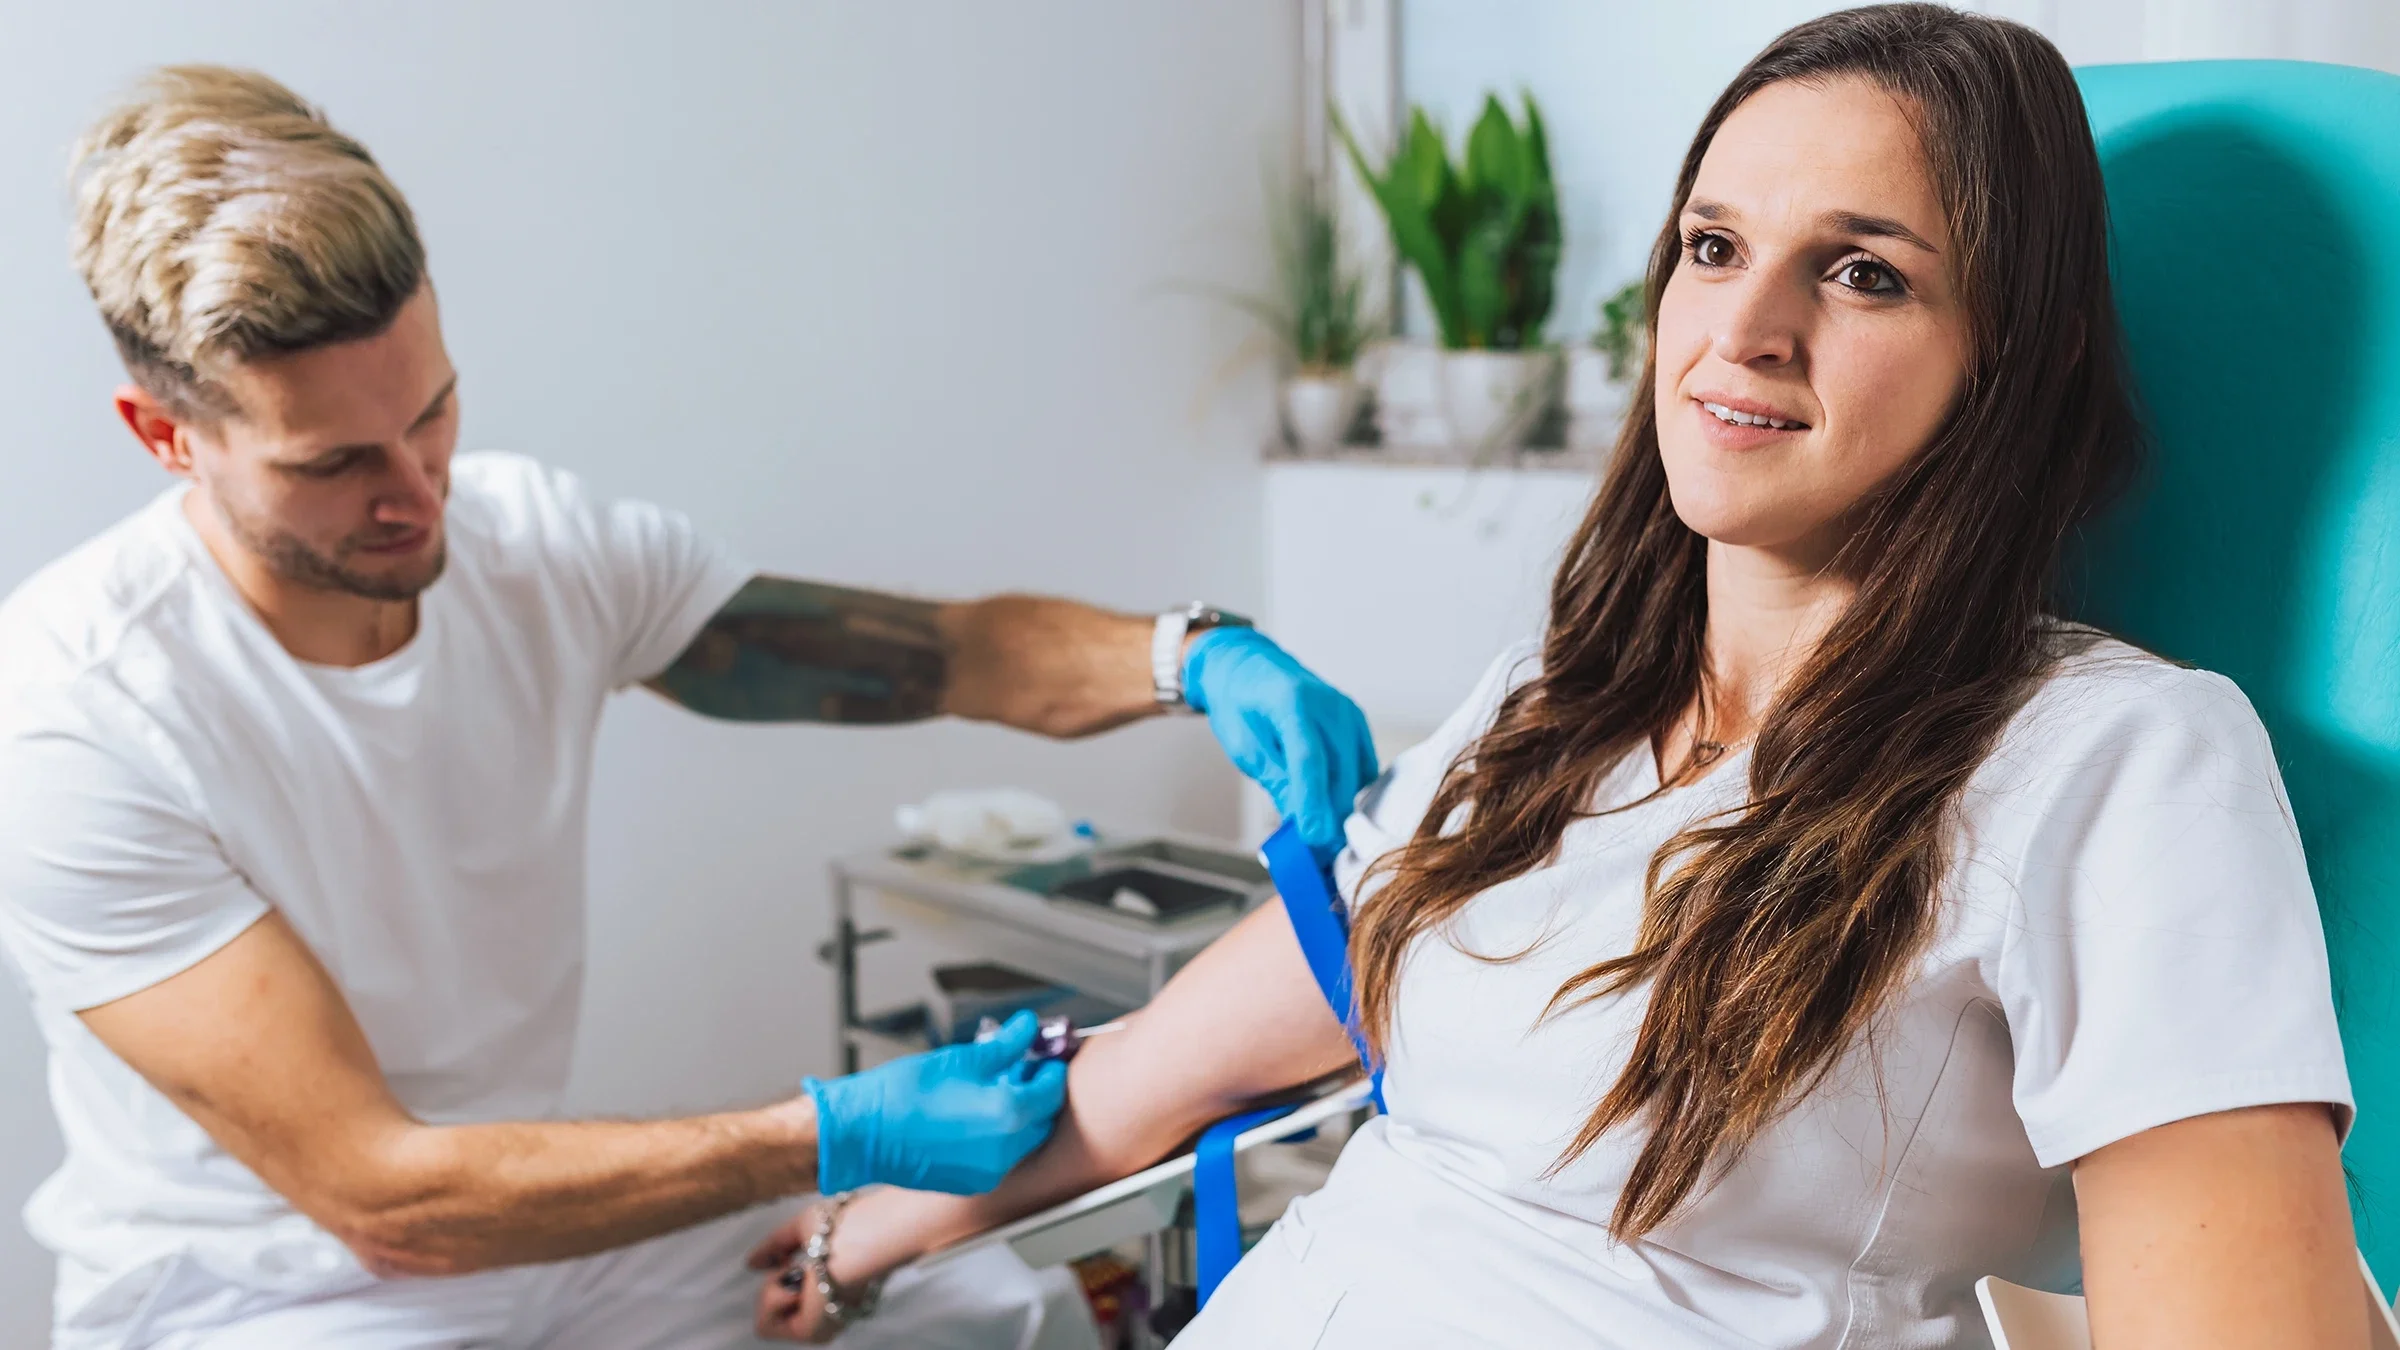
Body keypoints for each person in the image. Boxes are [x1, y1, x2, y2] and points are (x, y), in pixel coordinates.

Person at [749, 8, 2367, 1348]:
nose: (1746, 328)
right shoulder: (1558, 701)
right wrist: (853, 1237)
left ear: (2009, 358)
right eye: (1713, 247)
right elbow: (1200, 1050)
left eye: (1863, 272)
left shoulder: (2117, 761)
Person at [0, 66, 1379, 1350]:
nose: (419, 494)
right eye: (336, 462)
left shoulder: (537, 546)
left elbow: (943, 654)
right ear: (166, 435)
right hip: (252, 1289)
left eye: (432, 412)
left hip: (526, 1243)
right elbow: (386, 1197)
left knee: (970, 1296)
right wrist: (835, 1132)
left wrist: (1192, 653)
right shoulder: (77, 714)